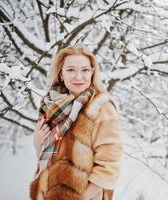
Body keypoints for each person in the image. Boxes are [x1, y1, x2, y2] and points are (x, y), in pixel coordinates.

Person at [30, 44, 123, 200]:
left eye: (85, 70)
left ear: (92, 73)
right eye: (71, 70)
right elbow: (49, 159)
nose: (78, 77)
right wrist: (37, 144)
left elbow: (109, 167)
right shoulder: (51, 106)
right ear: (61, 74)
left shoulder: (101, 108)